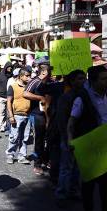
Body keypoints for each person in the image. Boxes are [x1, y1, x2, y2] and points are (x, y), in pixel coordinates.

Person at [67, 65, 107, 211]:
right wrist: (70, 141)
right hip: (89, 146)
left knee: (104, 183)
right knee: (89, 184)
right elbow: (71, 122)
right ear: (94, 82)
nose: (106, 81)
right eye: (103, 79)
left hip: (105, 145)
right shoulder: (82, 98)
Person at [54, 70, 86, 207]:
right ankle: (61, 195)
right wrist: (67, 137)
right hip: (69, 137)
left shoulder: (86, 95)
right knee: (66, 168)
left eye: (84, 78)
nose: (83, 81)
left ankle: (74, 191)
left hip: (82, 137)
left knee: (77, 168)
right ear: (72, 81)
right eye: (79, 78)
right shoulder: (66, 97)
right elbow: (62, 120)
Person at [23, 64, 50, 175]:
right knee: (39, 140)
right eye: (50, 73)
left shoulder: (49, 82)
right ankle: (37, 164)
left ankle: (46, 159)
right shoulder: (34, 81)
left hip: (49, 114)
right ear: (43, 72)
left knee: (49, 139)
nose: (52, 75)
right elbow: (25, 93)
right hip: (38, 115)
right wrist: (40, 97)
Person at [5, 67, 32, 165]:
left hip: (27, 115)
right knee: (14, 137)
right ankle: (10, 155)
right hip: (16, 115)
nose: (29, 77)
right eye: (27, 76)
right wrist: (11, 116)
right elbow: (9, 102)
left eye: (30, 75)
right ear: (21, 76)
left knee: (25, 138)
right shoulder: (13, 86)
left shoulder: (30, 86)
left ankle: (22, 156)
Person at [0, 62, 13, 132]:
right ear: (5, 67)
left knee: (9, 112)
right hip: (1, 96)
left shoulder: (12, 76)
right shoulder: (0, 75)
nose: (10, 68)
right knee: (2, 112)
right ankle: (2, 126)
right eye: (9, 67)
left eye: (11, 67)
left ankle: (8, 126)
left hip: (9, 96)